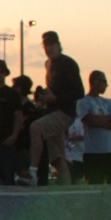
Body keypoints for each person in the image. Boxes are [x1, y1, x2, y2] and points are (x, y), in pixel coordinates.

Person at [32, 31, 83, 184]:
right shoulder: (48, 64)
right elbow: (55, 88)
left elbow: (79, 92)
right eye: (46, 46)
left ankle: (32, 171)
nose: (49, 48)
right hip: (52, 111)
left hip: (64, 112)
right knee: (57, 158)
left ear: (59, 45)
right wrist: (45, 96)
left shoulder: (68, 63)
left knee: (35, 128)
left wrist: (56, 98)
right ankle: (66, 188)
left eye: (52, 45)